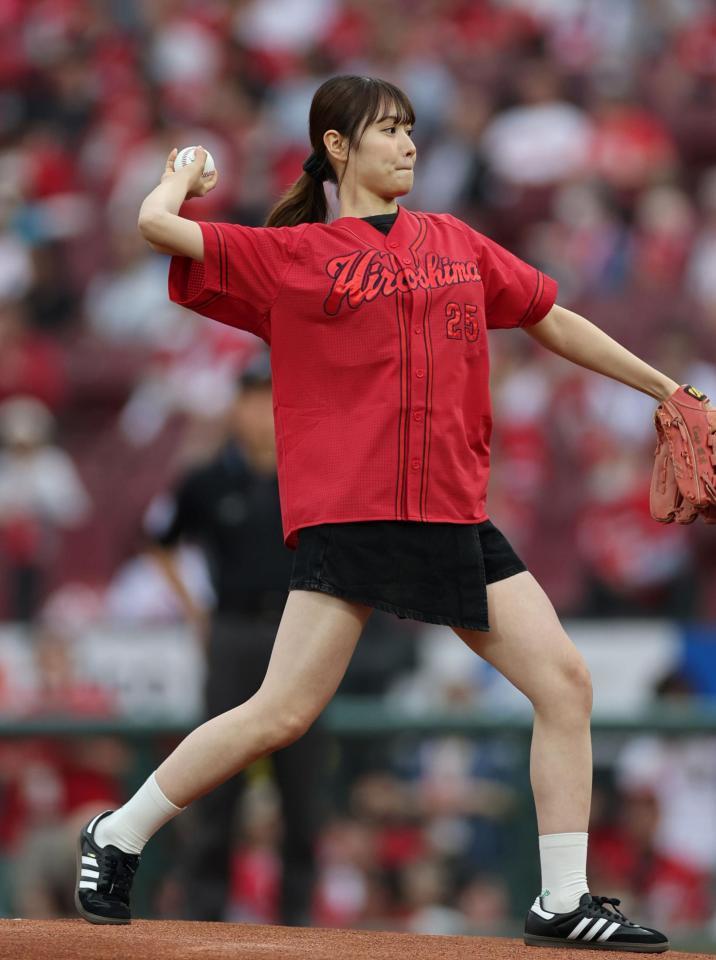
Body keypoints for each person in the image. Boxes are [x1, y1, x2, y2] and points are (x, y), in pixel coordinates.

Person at [75, 75, 675, 950]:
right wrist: (182, 173)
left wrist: (664, 388)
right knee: (281, 713)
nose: (408, 143)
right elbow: (155, 226)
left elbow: (551, 316)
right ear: (337, 146)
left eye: (411, 128)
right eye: (388, 129)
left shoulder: (457, 241)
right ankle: (118, 831)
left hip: (451, 512)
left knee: (565, 683)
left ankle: (561, 899)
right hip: (354, 513)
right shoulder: (293, 255)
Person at [144, 351, 327, 926]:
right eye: (250, 398)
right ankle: (205, 912)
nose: (260, 410)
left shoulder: (315, 475)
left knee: (303, 782)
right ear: (235, 407)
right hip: (233, 630)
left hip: (302, 632)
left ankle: (298, 917)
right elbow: (160, 542)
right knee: (216, 779)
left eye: (269, 397)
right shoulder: (207, 481)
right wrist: (196, 612)